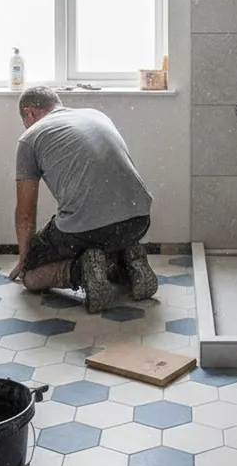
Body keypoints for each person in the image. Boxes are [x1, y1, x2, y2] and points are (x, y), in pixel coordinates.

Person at [9, 85, 158, 313]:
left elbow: (26, 211)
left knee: (30, 276)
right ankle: (125, 262)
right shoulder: (96, 115)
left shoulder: (30, 138)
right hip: (138, 220)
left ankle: (81, 271)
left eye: (25, 120)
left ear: (29, 112)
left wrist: (25, 260)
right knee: (100, 237)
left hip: (88, 230)